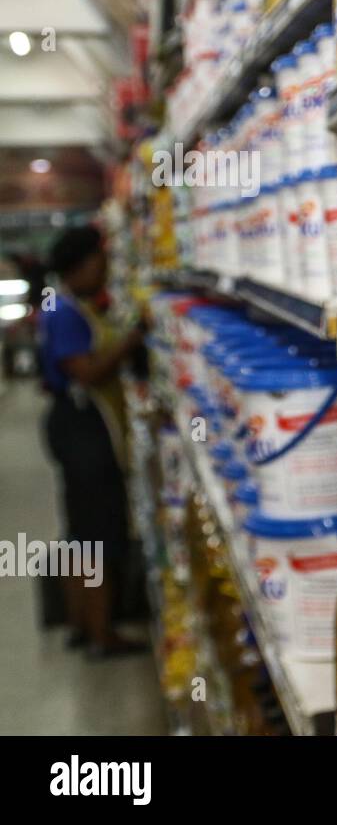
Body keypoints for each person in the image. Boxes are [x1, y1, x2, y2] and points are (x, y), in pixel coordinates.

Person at [37, 225, 146, 657]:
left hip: (75, 422)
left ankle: (82, 624)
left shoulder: (68, 305)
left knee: (81, 529)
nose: (106, 269)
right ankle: (103, 635)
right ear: (81, 266)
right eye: (101, 262)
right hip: (83, 426)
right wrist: (132, 339)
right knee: (98, 533)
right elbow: (87, 371)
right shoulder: (66, 312)